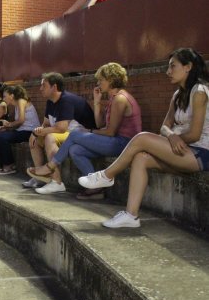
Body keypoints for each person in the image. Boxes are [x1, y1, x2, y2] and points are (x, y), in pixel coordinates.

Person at [79, 48, 208, 228]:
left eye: (173, 66)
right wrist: (172, 136)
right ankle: (131, 216)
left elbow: (194, 134)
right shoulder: (177, 95)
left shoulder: (200, 91)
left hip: (199, 153)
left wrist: (176, 138)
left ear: (188, 67)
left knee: (142, 138)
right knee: (140, 158)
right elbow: (164, 127)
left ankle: (107, 176)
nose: (168, 72)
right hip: (180, 151)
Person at [28, 62, 142, 198]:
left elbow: (110, 132)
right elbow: (100, 124)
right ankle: (96, 189)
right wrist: (97, 102)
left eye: (101, 79)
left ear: (111, 79)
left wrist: (88, 132)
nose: (98, 83)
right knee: (75, 150)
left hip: (124, 144)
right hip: (114, 141)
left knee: (75, 134)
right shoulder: (114, 98)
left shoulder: (120, 99)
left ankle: (50, 166)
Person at [23, 72, 96, 191]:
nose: (40, 88)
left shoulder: (66, 100)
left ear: (54, 87)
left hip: (82, 135)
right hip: (67, 135)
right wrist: (36, 132)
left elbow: (61, 128)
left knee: (50, 137)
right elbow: (46, 124)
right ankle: (41, 176)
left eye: (44, 85)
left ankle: (57, 182)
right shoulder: (50, 101)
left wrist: (37, 133)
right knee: (36, 139)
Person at [0, 85, 40, 175]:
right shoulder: (16, 105)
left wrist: (9, 125)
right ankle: (8, 164)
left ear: (12, 96)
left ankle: (9, 166)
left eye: (5, 96)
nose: (4, 99)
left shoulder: (21, 101)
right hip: (22, 131)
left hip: (30, 132)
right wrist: (4, 128)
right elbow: (18, 124)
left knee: (0, 137)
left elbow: (21, 120)